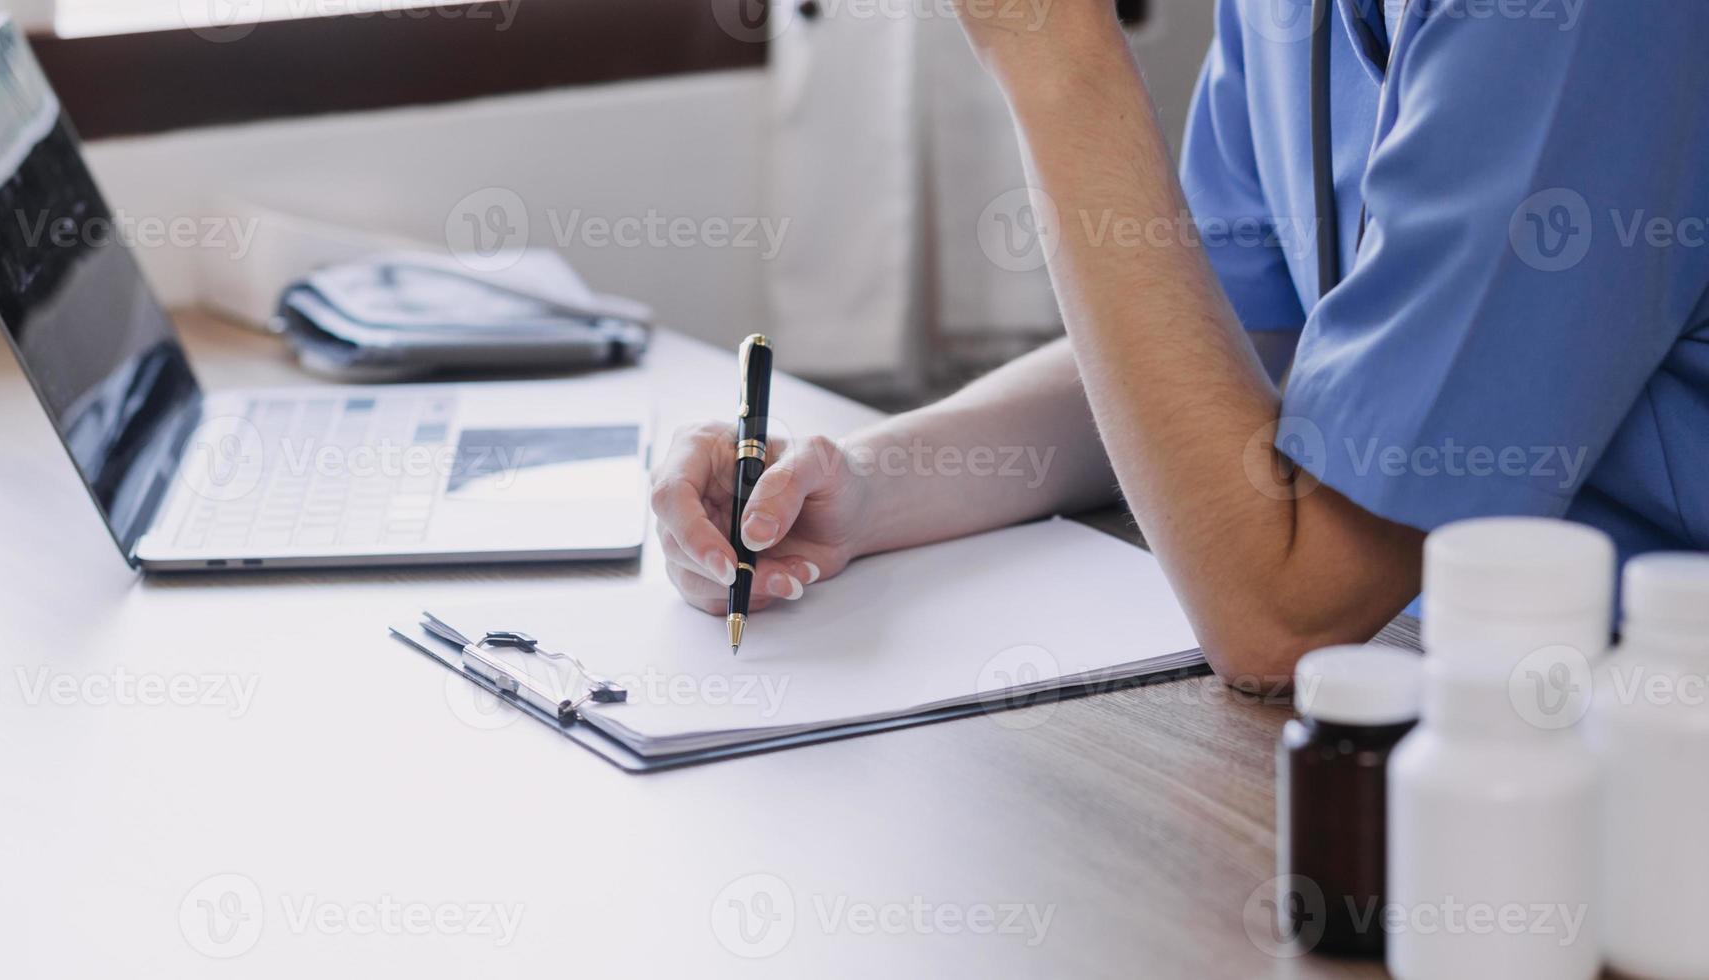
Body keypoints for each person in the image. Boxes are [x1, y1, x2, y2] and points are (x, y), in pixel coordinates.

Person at [649, 0, 1709, 682]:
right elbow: (1220, 347)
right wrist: (860, 484)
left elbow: (1285, 613)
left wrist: (1051, 47)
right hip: (1445, 676)